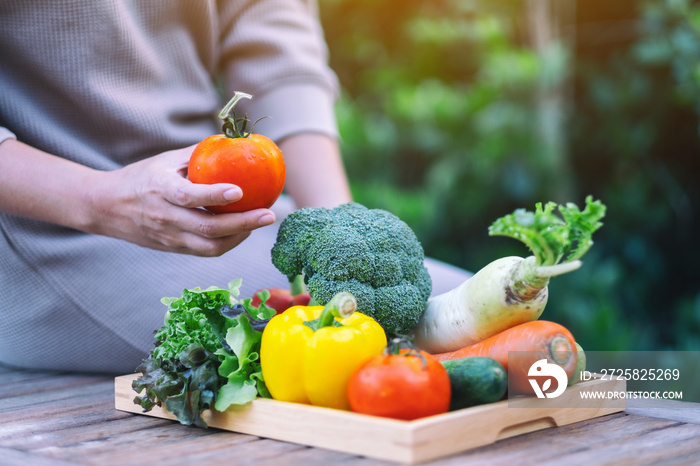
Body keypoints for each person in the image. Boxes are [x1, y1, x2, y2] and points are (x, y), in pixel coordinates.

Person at [0, 1, 470, 374]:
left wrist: (340, 231)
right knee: (461, 339)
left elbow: (269, 26)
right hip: (52, 229)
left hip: (219, 205)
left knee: (478, 318)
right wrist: (102, 200)